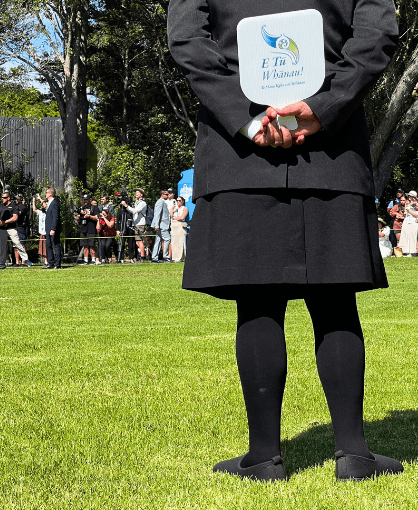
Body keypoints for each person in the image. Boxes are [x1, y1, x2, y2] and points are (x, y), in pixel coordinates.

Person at [168, 0, 400, 482]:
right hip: (331, 151)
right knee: (336, 300)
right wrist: (323, 106)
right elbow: (376, 34)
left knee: (257, 303)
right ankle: (353, 454)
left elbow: (188, 39)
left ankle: (264, 457)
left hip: (239, 154)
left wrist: (247, 118)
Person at [0, 191, 31, 269]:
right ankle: (2, 263)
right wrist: (0, 222)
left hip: (11, 228)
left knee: (17, 243)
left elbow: (15, 218)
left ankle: (26, 260)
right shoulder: (1, 207)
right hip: (2, 228)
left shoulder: (14, 206)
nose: (2, 199)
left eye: (4, 197)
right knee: (2, 246)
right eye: (2, 197)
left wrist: (5, 222)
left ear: (8, 198)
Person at [76, 194, 99, 264]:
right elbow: (80, 217)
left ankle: (93, 260)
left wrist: (89, 216)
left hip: (91, 229)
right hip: (84, 229)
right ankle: (85, 260)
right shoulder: (82, 208)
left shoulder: (94, 208)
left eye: (86, 199)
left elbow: (97, 217)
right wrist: (78, 218)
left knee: (92, 245)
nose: (85, 201)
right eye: (84, 200)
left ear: (90, 200)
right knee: (85, 245)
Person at [150, 190, 170, 263]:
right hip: (162, 225)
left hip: (161, 225)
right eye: (166, 194)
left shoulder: (162, 202)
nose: (168, 196)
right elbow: (157, 214)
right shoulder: (160, 202)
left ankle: (154, 258)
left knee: (158, 241)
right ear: (162, 194)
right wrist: (157, 225)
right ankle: (165, 256)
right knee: (167, 239)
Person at [44, 188, 62, 269]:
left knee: (56, 245)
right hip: (48, 229)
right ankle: (50, 263)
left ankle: (57, 264)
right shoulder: (49, 203)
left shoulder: (55, 203)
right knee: (48, 245)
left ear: (50, 194)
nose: (45, 194)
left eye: (46, 193)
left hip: (53, 229)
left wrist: (53, 229)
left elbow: (56, 217)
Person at [397, 191, 418, 256]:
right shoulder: (407, 203)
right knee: (406, 236)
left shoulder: (416, 203)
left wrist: (410, 211)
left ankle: (413, 251)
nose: (409, 197)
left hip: (413, 220)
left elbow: (416, 214)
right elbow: (406, 213)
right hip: (407, 220)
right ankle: (406, 251)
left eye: (410, 196)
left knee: (413, 236)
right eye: (409, 196)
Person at [170, 196, 188, 263]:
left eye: (179, 200)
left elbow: (182, 217)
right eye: (177, 200)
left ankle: (181, 257)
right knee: (174, 243)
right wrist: (172, 210)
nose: (178, 202)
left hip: (180, 226)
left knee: (181, 243)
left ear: (182, 201)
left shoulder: (184, 208)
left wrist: (175, 217)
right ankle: (175, 257)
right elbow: (171, 216)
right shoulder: (175, 209)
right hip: (174, 226)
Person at [32, 194, 47, 266]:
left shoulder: (49, 211)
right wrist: (34, 200)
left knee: (49, 247)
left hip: (48, 232)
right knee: (43, 248)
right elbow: (34, 209)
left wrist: (40, 198)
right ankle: (45, 261)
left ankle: (50, 260)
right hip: (42, 233)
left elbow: (45, 206)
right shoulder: (41, 212)